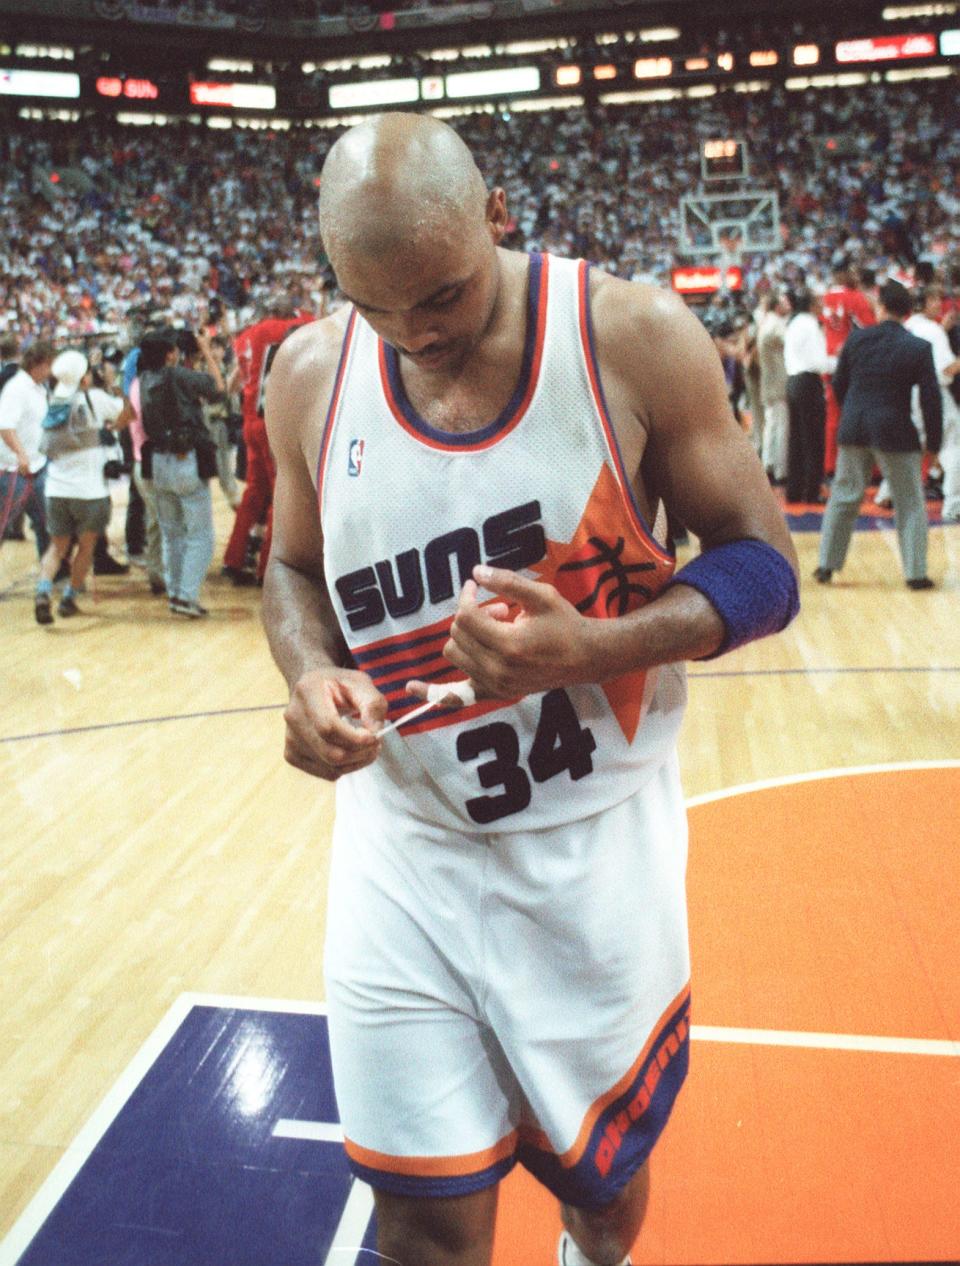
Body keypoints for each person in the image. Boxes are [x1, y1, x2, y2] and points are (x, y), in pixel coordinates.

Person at [262, 114, 799, 1266]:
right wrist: (312, 673)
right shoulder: (309, 375)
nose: (417, 334)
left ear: (496, 216)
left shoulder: (633, 336)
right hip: (405, 849)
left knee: (599, 1190)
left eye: (442, 297)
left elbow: (764, 568)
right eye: (378, 306)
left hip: (593, 847)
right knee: (423, 1226)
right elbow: (294, 568)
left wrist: (597, 651)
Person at [815, 280, 942, 590]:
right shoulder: (918, 347)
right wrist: (934, 444)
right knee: (909, 501)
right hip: (896, 429)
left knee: (844, 497)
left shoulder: (856, 340)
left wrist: (855, 411)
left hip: (855, 426)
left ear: (881, 308)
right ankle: (915, 573)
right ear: (909, 311)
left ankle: (826, 566)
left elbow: (839, 385)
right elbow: (930, 398)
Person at [33, 349, 132, 623]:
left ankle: (43, 591)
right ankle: (69, 598)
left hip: (56, 488)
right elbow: (128, 414)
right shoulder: (96, 399)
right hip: (90, 492)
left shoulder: (52, 401)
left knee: (57, 547)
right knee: (86, 548)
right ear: (84, 377)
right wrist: (115, 391)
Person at [221, 297, 314, 585]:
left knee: (254, 493)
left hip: (249, 421)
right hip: (273, 421)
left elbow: (232, 382)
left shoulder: (248, 335)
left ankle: (233, 560)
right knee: (281, 495)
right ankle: (267, 568)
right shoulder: (290, 327)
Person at [139, 328, 224, 617]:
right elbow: (217, 387)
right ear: (170, 353)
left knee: (172, 533)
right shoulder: (175, 374)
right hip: (185, 460)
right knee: (201, 535)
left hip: (159, 462)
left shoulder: (143, 380)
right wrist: (207, 351)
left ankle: (176, 593)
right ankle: (187, 596)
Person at [0, 338, 55, 559]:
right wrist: (21, 454)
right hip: (14, 468)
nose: (52, 371)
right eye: (50, 365)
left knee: (47, 523)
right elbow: (4, 426)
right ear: (39, 364)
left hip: (37, 465)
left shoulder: (38, 388)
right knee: (2, 526)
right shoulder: (17, 388)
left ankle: (53, 574)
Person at [784, 288, 833, 505]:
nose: (822, 305)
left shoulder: (793, 323)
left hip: (793, 382)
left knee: (796, 440)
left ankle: (794, 490)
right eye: (819, 302)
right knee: (813, 440)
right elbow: (819, 362)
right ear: (812, 305)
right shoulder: (811, 325)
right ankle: (812, 492)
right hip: (808, 383)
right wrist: (840, 360)